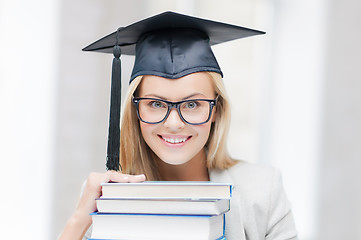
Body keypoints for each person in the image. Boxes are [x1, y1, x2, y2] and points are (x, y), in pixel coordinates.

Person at [59, 12, 298, 240]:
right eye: (155, 103)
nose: (174, 123)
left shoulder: (262, 191)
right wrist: (79, 220)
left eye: (192, 104)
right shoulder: (108, 194)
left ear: (217, 110)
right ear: (136, 112)